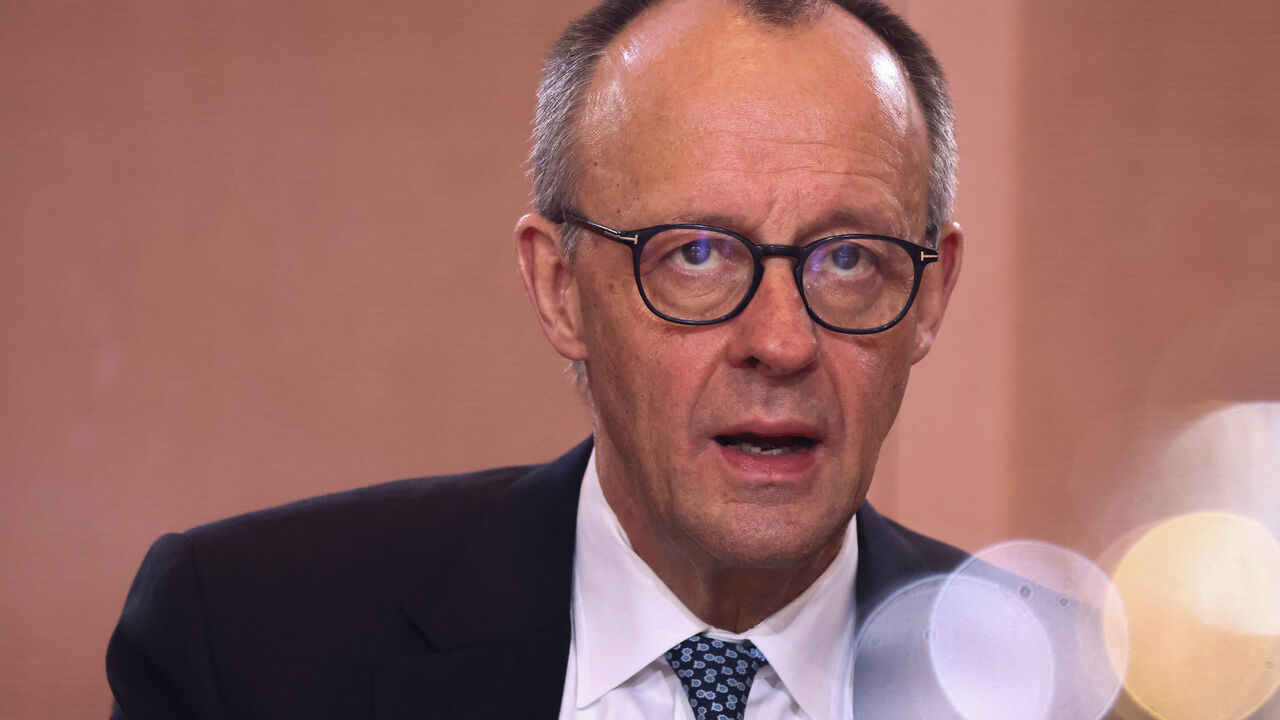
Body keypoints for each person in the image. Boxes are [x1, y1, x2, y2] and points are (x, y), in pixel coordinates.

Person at [106, 0, 964, 718]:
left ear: (930, 297)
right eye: (695, 255)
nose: (780, 343)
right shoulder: (248, 640)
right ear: (560, 290)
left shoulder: (1064, 689)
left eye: (849, 258)